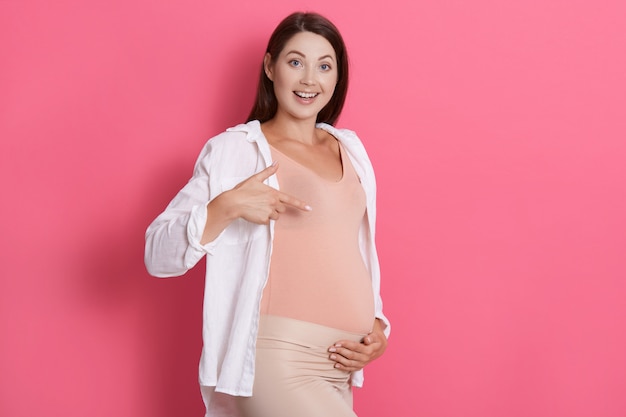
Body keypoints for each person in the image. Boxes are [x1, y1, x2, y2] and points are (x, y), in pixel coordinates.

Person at [144, 11, 390, 417]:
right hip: (278, 358)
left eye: (324, 66)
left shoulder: (352, 150)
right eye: (296, 62)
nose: (310, 79)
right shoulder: (236, 151)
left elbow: (355, 249)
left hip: (339, 368)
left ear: (337, 77)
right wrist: (226, 207)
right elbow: (156, 254)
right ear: (270, 66)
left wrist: (378, 325)